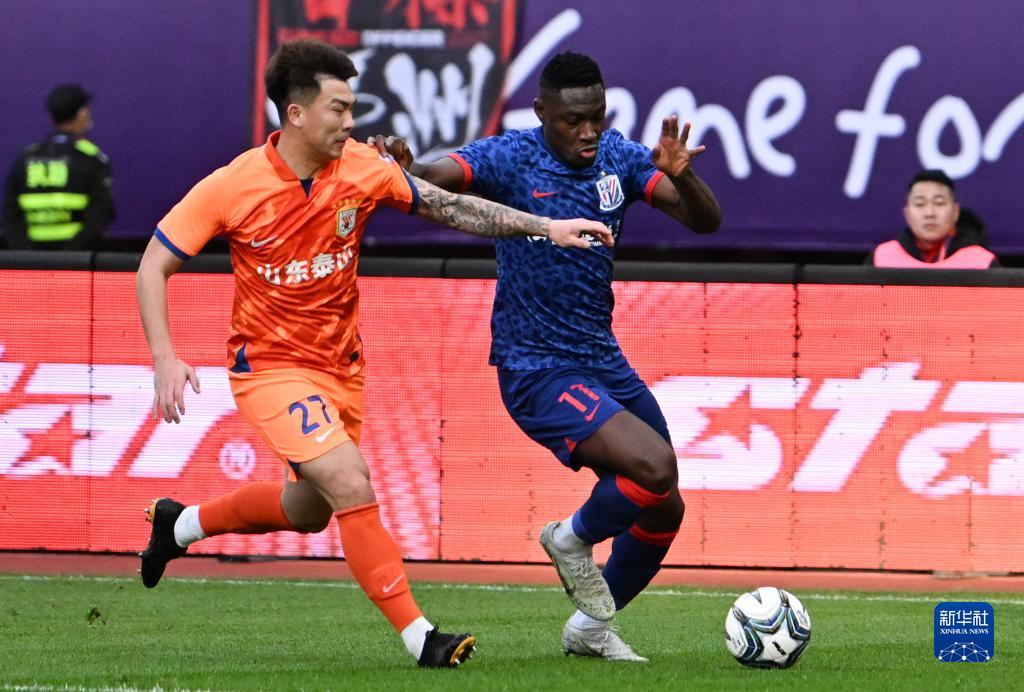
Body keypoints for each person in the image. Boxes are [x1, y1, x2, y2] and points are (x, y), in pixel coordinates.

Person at [135, 39, 612, 669]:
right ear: (296, 113)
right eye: (338, 108)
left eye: (352, 108)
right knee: (350, 480)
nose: (351, 121)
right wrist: (165, 358)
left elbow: (452, 207)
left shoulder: (362, 167)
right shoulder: (233, 185)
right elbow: (153, 265)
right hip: (270, 370)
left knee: (307, 511)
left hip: (342, 369)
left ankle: (180, 525)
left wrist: (545, 226)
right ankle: (422, 637)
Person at [375, 51, 721, 662]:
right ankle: (569, 539)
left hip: (602, 360)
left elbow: (706, 222)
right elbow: (439, 175)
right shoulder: (512, 155)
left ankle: (590, 629)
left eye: (596, 117)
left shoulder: (618, 157)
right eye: (572, 120)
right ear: (542, 113)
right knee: (654, 464)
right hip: (535, 367)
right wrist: (410, 169)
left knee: (664, 502)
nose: (588, 131)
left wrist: (683, 176)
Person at [2, 83, 114, 250]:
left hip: (28, 262)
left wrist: (30, 257)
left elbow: (10, 217)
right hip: (78, 261)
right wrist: (70, 257)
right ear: (82, 113)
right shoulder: (92, 160)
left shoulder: (25, 158)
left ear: (51, 116)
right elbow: (101, 215)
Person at [870, 169, 998, 268]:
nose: (929, 213)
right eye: (920, 204)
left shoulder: (982, 262)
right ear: (907, 214)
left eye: (939, 203)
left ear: (955, 212)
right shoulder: (881, 258)